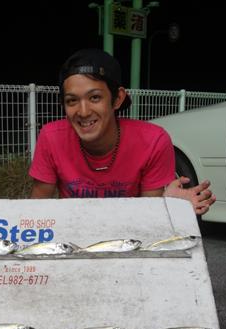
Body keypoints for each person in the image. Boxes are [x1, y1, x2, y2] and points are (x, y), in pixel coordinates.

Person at [29, 48, 215, 214]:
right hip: (73, 236)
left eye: (95, 97)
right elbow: (36, 212)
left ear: (118, 98)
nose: (83, 112)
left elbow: (147, 217)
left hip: (127, 239)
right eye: (72, 100)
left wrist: (166, 206)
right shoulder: (51, 137)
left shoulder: (153, 141)